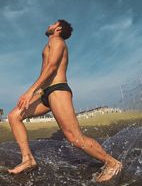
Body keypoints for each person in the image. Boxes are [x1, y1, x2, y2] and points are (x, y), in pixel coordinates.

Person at [7, 20, 122, 182]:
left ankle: (112, 163)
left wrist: (29, 91)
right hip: (45, 93)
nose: (49, 25)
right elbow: (47, 70)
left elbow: (52, 67)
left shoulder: (57, 41)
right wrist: (39, 91)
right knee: (14, 116)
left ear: (58, 29)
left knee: (75, 138)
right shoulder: (50, 43)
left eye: (53, 24)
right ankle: (28, 160)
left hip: (58, 91)